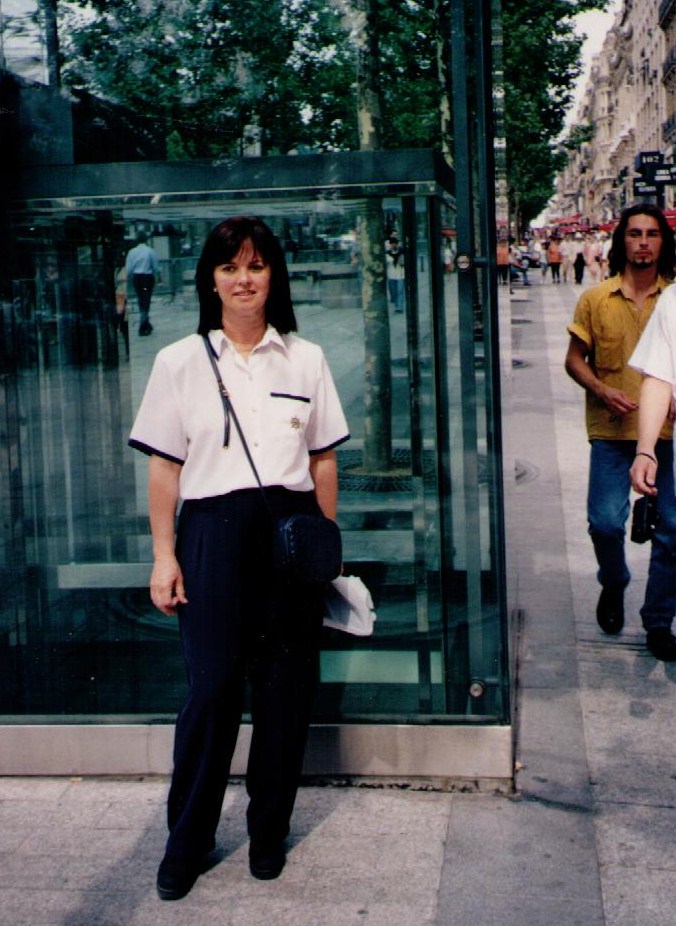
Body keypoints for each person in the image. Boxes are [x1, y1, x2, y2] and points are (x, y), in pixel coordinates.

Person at [128, 215, 350, 899]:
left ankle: (267, 832)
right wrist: (165, 555)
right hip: (212, 533)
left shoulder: (306, 359)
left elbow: (322, 461)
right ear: (211, 280)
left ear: (272, 275)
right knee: (213, 690)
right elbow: (165, 470)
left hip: (288, 533)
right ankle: (186, 841)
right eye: (229, 268)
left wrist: (322, 551)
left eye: (255, 266)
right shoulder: (180, 362)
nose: (243, 279)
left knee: (284, 694)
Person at [564, 203, 676, 657]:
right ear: (621, 242)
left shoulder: (672, 297)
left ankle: (658, 621)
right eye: (634, 234)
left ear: (663, 243)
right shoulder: (596, 299)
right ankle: (614, 582)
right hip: (610, 432)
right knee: (605, 524)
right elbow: (574, 359)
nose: (643, 242)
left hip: (665, 437)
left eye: (652, 234)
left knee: (672, 530)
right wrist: (601, 389)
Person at [628, 283, 676, 660]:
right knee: (672, 535)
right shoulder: (674, 301)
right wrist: (646, 448)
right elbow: (659, 377)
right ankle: (659, 620)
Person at [125, 230, 160, 336]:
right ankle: (142, 324)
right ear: (146, 239)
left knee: (141, 299)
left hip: (137, 278)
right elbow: (155, 266)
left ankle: (146, 323)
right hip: (147, 277)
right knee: (146, 299)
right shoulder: (150, 251)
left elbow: (129, 268)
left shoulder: (132, 252)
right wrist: (157, 276)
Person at [385, 234, 405, 312]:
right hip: (391, 275)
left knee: (400, 291)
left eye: (395, 243)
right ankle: (396, 303)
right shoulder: (387, 253)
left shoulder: (402, 252)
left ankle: (399, 307)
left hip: (401, 275)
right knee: (393, 291)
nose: (393, 245)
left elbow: (403, 263)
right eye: (392, 244)